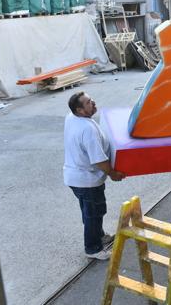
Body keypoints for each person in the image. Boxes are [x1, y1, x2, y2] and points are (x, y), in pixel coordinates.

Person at [64, 92, 125, 260]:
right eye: (89, 102)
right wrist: (113, 173)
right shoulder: (87, 129)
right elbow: (98, 160)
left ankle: (99, 236)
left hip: (75, 176)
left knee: (91, 211)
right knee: (94, 213)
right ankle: (93, 249)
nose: (94, 103)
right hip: (86, 180)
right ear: (80, 110)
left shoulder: (71, 117)